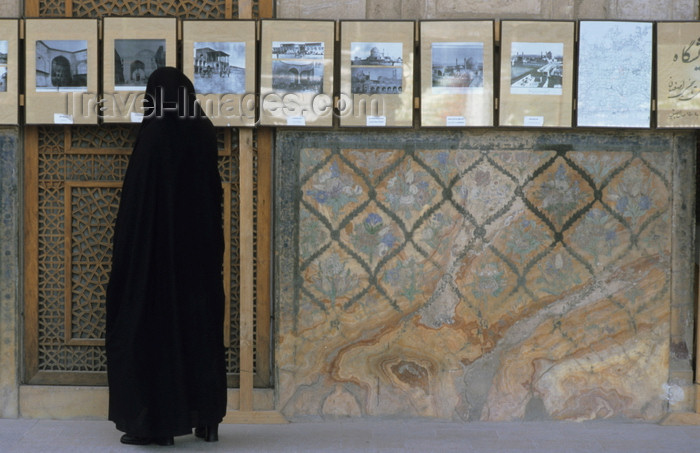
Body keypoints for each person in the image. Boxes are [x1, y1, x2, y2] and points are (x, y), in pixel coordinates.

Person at [105, 67, 227, 446]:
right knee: (199, 332)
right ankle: (207, 419)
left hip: (156, 260)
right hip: (199, 257)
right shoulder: (203, 130)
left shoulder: (157, 132)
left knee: (153, 331)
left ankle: (155, 424)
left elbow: (138, 204)